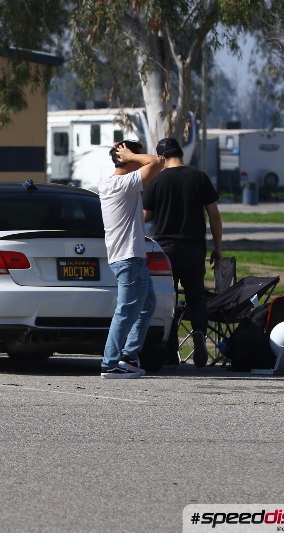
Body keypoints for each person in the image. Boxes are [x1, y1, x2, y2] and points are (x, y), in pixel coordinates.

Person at [143, 137, 223, 369]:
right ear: (182, 154)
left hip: (166, 249)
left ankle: (169, 349)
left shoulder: (156, 182)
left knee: (169, 299)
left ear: (160, 157)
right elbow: (214, 216)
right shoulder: (199, 178)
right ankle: (198, 332)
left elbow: (144, 217)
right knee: (196, 296)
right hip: (194, 247)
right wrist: (218, 248)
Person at [98, 140, 163, 378]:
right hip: (129, 257)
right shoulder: (123, 184)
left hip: (127, 257)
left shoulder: (111, 184)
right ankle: (110, 363)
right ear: (128, 160)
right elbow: (156, 163)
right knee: (126, 310)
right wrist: (130, 155)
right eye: (134, 159)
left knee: (147, 305)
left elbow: (156, 164)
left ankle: (129, 356)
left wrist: (130, 156)